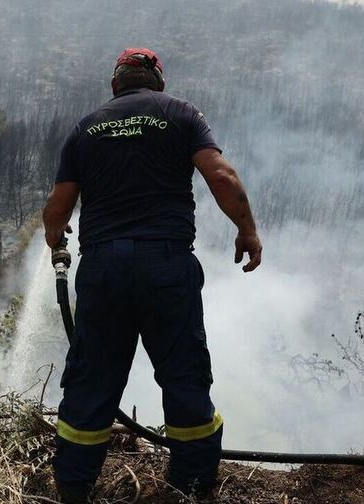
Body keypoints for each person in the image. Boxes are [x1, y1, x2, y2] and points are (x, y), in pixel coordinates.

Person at [42, 47, 262, 503]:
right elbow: (221, 175)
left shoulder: (86, 127)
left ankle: (74, 491)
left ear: (115, 85)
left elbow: (56, 211)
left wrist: (55, 237)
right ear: (157, 81)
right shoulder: (180, 113)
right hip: (166, 266)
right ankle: (190, 489)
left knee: (90, 384)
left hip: (102, 271)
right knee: (184, 379)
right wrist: (247, 230)